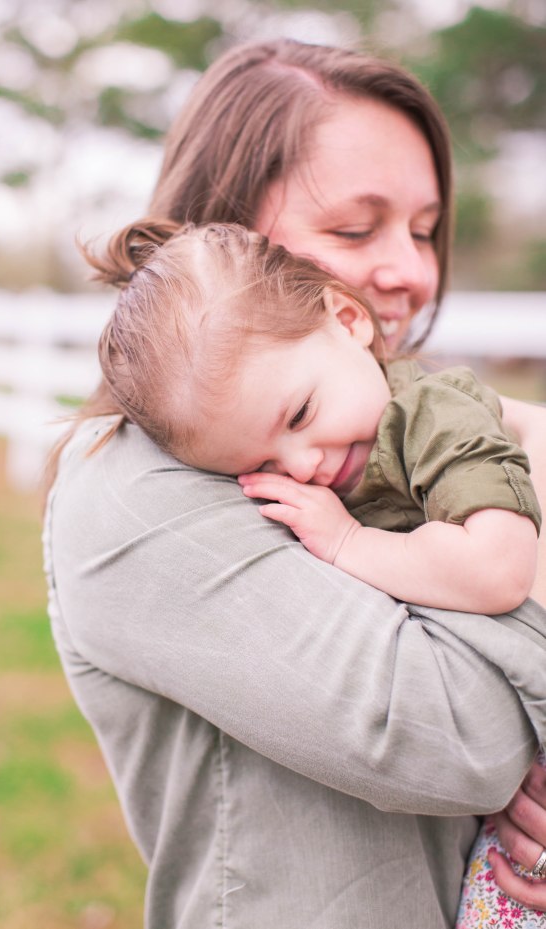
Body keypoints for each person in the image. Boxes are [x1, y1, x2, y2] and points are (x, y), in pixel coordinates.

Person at [44, 39, 546, 929]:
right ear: (223, 234)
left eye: (425, 230)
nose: (414, 271)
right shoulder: (138, 488)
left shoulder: (391, 428)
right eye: (356, 229)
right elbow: (457, 741)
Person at [87, 218, 541, 615]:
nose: (302, 469)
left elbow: (497, 571)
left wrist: (349, 542)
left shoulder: (435, 415)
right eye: (262, 467)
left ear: (347, 321)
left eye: (300, 415)